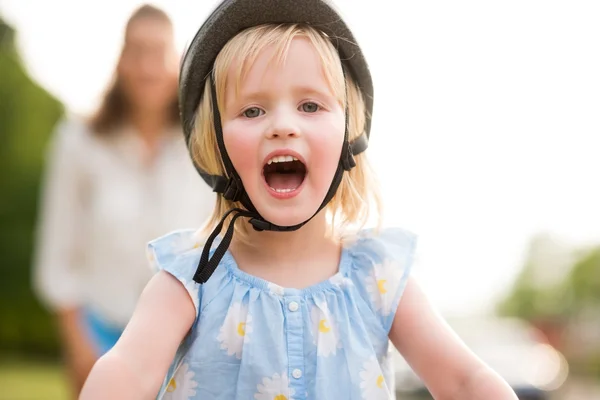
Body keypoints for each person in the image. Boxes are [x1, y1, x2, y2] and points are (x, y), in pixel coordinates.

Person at [80, 1, 518, 399]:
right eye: (252, 111)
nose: (283, 125)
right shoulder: (192, 279)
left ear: (350, 139)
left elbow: (464, 381)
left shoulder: (377, 278)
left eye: (310, 105)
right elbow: (128, 372)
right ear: (217, 145)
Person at [32, 4, 214, 397]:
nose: (147, 67)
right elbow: (57, 250)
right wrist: (80, 348)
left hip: (185, 340)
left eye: (158, 52)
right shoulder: (78, 140)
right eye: (137, 51)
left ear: (177, 59)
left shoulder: (201, 143)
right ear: (120, 59)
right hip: (98, 332)